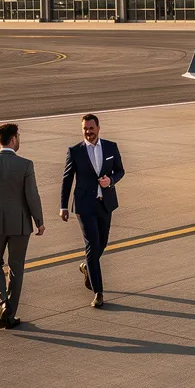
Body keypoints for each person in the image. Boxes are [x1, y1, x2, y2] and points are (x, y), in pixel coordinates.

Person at [0, 123, 44, 329]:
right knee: (16, 268)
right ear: (13, 139)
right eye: (18, 137)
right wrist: (39, 221)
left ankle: (2, 302)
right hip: (20, 224)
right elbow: (32, 196)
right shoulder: (25, 165)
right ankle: (10, 313)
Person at [60, 113, 125, 308]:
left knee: (102, 243)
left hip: (105, 203)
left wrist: (110, 180)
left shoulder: (111, 147)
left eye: (91, 128)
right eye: (85, 129)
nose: (88, 132)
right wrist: (63, 206)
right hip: (84, 205)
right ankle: (98, 292)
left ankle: (86, 266)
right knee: (92, 244)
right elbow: (67, 179)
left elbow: (120, 170)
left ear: (98, 128)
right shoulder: (75, 151)